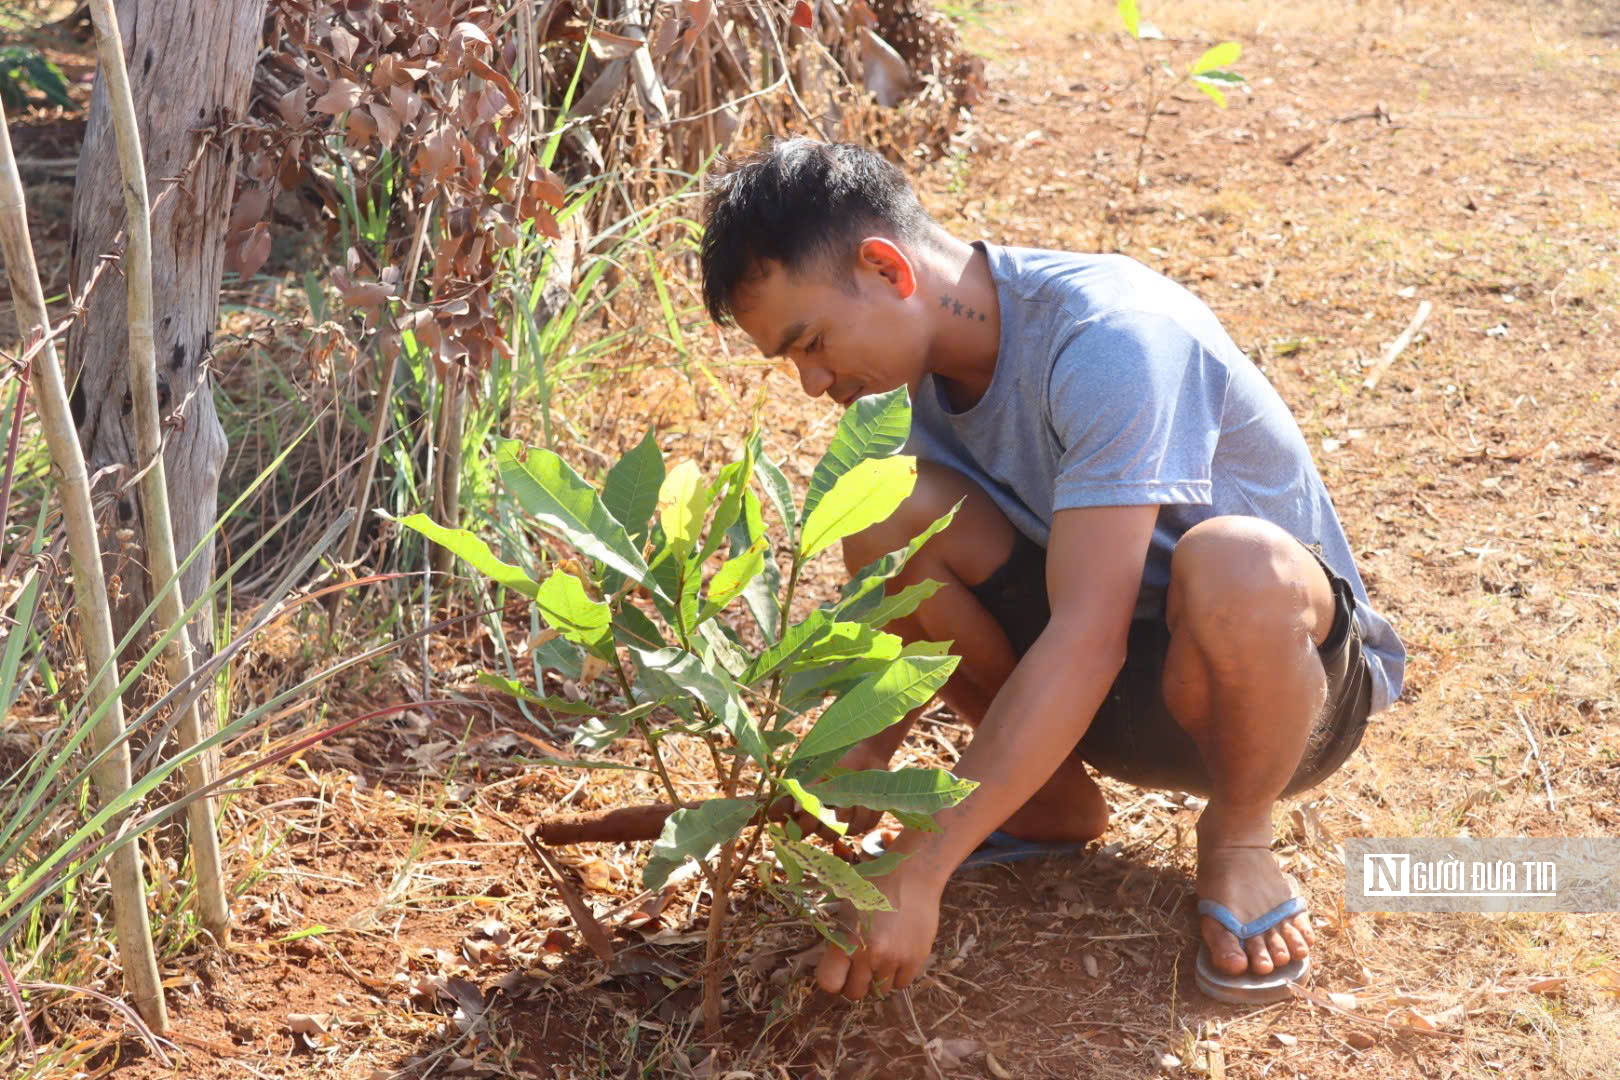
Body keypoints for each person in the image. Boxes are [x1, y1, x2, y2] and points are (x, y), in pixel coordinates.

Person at [697, 137, 1405, 1004]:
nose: (811, 382)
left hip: (1272, 695)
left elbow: (1087, 634)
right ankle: (1050, 804)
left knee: (1234, 560)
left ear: (886, 268)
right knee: (888, 505)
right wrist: (803, 804)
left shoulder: (1111, 335)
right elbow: (899, 639)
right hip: (1103, 691)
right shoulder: (917, 387)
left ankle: (1240, 837)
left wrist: (924, 867)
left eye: (810, 342)